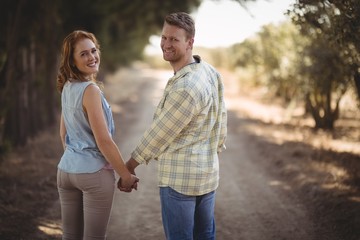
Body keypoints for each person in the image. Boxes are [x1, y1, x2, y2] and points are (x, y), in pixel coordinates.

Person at [122, 12, 227, 240]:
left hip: (180, 182)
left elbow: (159, 134)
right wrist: (213, 151)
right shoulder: (209, 72)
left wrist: (129, 165)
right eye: (164, 37)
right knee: (205, 236)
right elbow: (222, 118)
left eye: (174, 39)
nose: (166, 44)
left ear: (190, 43)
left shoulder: (186, 87)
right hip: (207, 175)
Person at [56, 30, 139, 240]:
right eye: (83, 54)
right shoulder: (90, 90)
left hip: (66, 172)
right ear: (72, 61)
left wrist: (75, 157)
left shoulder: (67, 87)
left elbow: (63, 132)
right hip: (93, 174)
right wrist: (126, 175)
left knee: (70, 236)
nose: (92, 57)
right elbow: (104, 141)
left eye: (93, 51)